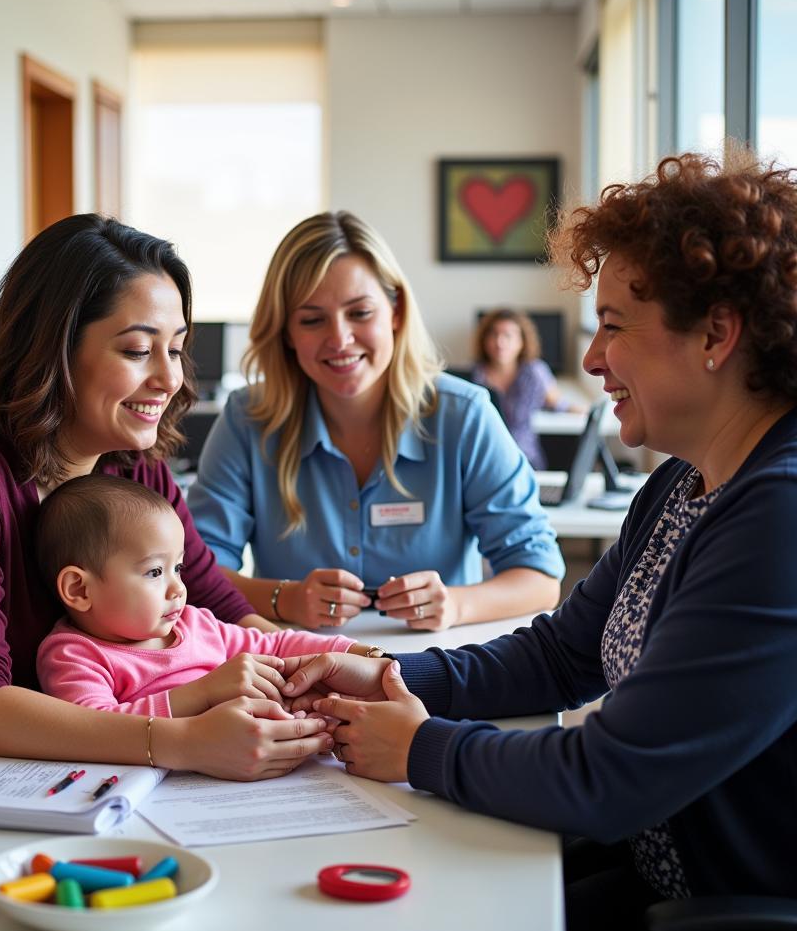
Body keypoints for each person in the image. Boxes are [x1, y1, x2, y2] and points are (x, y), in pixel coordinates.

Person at [279, 150, 797, 931]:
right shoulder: (683, 484)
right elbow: (563, 654)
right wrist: (382, 675)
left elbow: (609, 774)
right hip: (658, 881)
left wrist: (419, 748)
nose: (591, 361)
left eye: (616, 325)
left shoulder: (777, 517)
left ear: (717, 334)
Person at [0, 214, 335, 791]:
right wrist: (179, 742)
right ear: (53, 348)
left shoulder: (133, 470)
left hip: (95, 772)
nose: (171, 379)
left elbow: (220, 609)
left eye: (177, 350)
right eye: (138, 350)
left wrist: (323, 668)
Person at [187, 211, 564, 632]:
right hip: (294, 674)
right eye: (312, 319)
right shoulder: (247, 419)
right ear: (287, 332)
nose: (340, 339)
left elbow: (541, 579)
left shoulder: (464, 415)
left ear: (396, 312)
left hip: (438, 676)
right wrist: (285, 598)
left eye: (360, 313)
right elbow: (196, 574)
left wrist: (456, 605)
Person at [34, 474, 386, 716]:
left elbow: (275, 646)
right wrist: (203, 693)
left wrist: (358, 653)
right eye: (155, 572)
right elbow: (101, 725)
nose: (178, 588)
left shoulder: (196, 624)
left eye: (178, 568)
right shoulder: (75, 656)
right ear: (79, 589)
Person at [471, 307, 579, 468]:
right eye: (493, 334)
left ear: (521, 341)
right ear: (484, 340)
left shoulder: (534, 372)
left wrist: (581, 410)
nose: (500, 342)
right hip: (484, 458)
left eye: (508, 335)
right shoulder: (474, 376)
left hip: (524, 459)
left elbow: (556, 402)